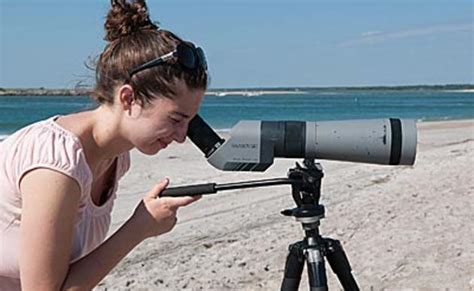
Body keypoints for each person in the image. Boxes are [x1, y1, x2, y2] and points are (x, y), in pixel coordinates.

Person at [0, 0, 208, 289]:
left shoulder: (117, 158)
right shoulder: (55, 164)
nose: (182, 135)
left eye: (190, 121)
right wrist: (138, 228)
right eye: (176, 119)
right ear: (128, 98)